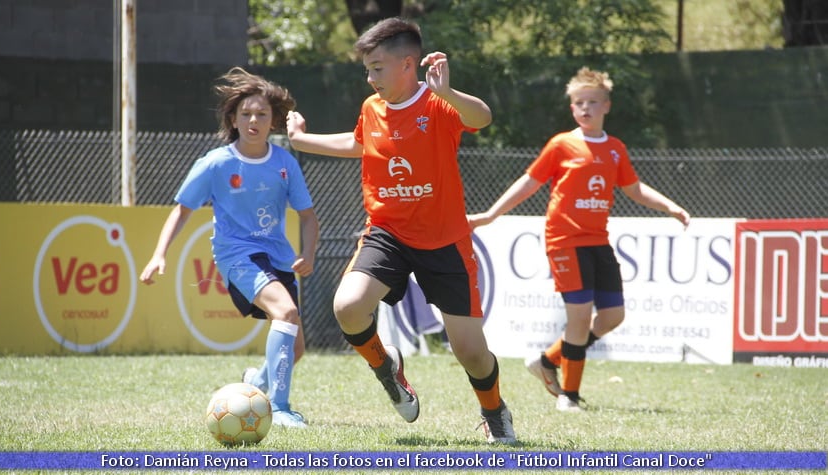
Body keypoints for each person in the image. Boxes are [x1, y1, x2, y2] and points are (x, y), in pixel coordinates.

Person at [285, 17, 515, 444]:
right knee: (348, 306)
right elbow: (360, 144)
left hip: (445, 241)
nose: (370, 78)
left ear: (408, 64)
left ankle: (494, 411)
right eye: (367, 69)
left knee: (470, 352)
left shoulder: (436, 104)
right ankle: (386, 367)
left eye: (377, 68)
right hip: (386, 232)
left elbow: (481, 117)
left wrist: (448, 92)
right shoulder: (372, 108)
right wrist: (303, 140)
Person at [468, 67, 690, 412]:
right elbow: (529, 183)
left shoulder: (615, 149)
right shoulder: (562, 144)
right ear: (572, 108)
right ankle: (568, 396)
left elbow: (634, 189)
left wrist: (671, 206)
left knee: (613, 315)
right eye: (578, 103)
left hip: (597, 241)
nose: (584, 108)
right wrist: (490, 215)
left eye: (592, 102)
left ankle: (547, 360)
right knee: (579, 317)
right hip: (564, 239)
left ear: (606, 106)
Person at [140, 67, 319, 428]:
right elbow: (182, 210)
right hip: (237, 256)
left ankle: (255, 383)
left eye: (262, 114)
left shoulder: (285, 163)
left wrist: (309, 254)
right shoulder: (216, 163)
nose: (254, 120)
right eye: (246, 114)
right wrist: (159, 254)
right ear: (234, 120)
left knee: (295, 347)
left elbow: (308, 217)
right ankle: (280, 409)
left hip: (279, 257)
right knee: (285, 313)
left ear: (274, 121)